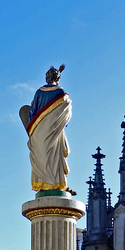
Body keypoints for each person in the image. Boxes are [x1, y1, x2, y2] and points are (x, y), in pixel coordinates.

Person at [19, 65, 75, 194]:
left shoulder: (39, 92)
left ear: (47, 78)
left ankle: (44, 183)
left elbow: (32, 112)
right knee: (56, 157)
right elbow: (65, 114)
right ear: (58, 78)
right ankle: (58, 183)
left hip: (39, 132)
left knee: (42, 156)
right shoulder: (61, 93)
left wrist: (38, 124)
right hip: (55, 131)